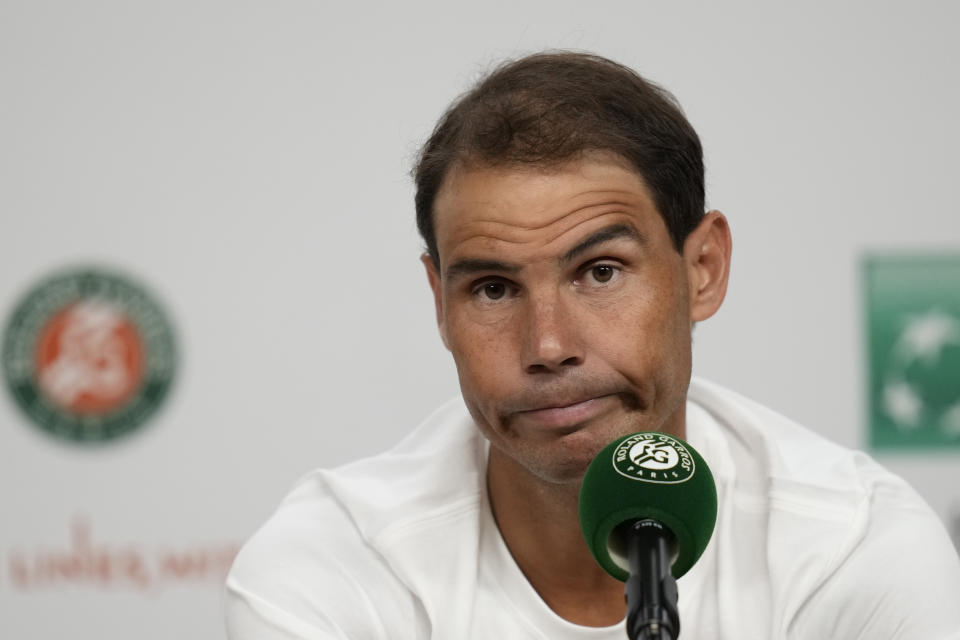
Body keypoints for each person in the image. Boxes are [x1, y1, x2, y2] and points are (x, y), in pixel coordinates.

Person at [225, 52, 960, 639]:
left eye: (599, 272)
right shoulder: (331, 569)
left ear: (702, 270)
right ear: (438, 303)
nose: (547, 344)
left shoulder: (854, 553)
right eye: (492, 289)